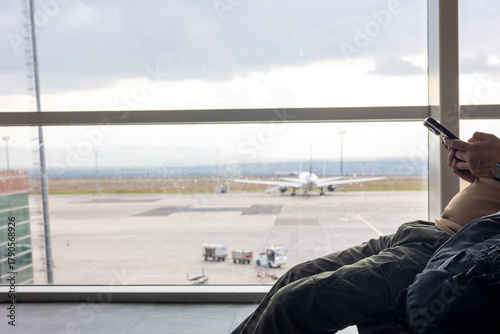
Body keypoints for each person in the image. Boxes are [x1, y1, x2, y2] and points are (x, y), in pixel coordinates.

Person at [231, 131, 500, 334]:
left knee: (293, 303)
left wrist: (496, 164)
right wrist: (483, 174)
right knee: (295, 275)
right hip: (424, 231)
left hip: (451, 252)